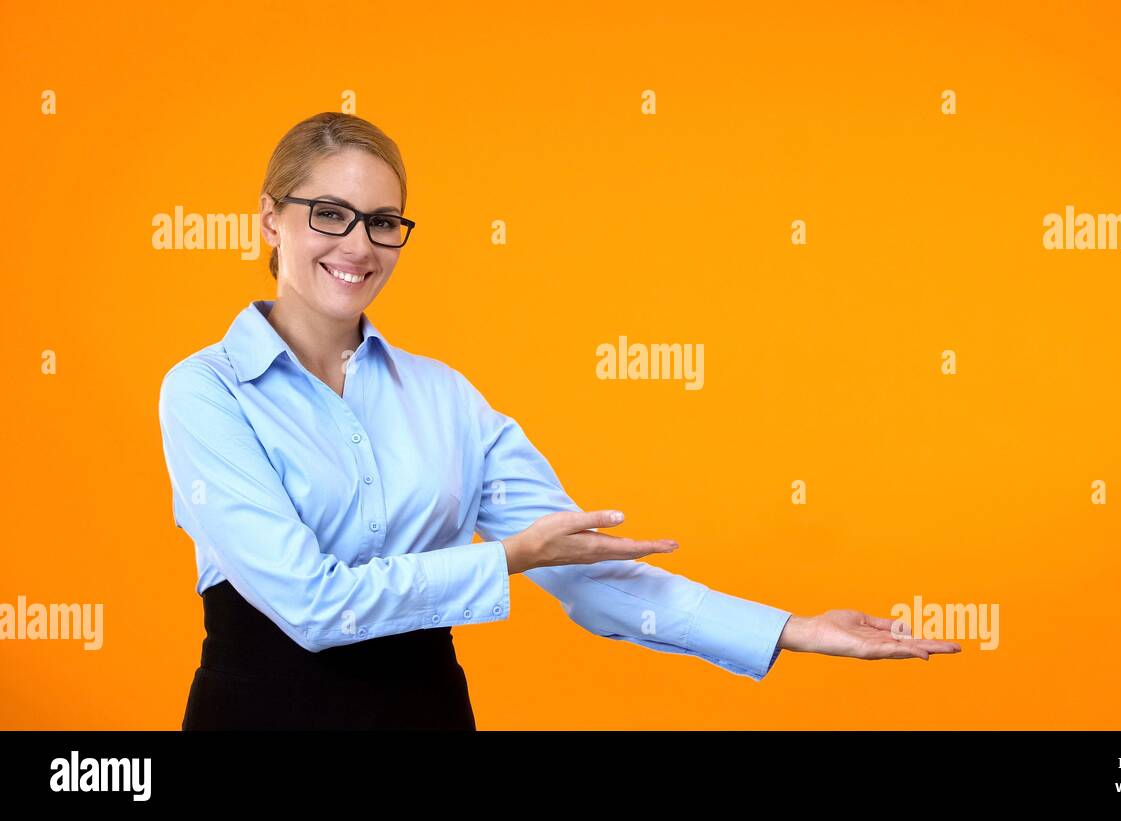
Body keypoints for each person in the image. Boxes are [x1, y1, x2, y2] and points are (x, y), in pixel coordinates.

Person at [158, 111, 960, 731]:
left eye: (383, 221)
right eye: (329, 214)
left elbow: (585, 572)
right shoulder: (206, 391)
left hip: (423, 717)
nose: (358, 244)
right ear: (269, 220)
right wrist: (505, 559)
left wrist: (790, 629)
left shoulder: (445, 398)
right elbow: (311, 604)